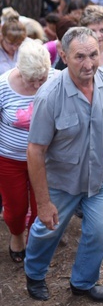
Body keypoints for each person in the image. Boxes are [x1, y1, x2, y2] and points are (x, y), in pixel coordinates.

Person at [24, 27, 103, 302]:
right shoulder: (49, 96)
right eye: (79, 57)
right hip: (63, 180)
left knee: (101, 232)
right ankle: (35, 274)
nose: (89, 64)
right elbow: (36, 150)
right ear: (62, 55)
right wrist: (43, 202)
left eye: (93, 55)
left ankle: (83, 282)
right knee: (46, 231)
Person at [0, 40, 53, 263]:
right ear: (20, 70)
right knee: (15, 208)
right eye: (32, 80)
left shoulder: (56, 80)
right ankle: (17, 236)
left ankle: (35, 241)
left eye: (42, 79)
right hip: (10, 159)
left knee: (42, 203)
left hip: (46, 160)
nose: (37, 86)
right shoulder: (3, 86)